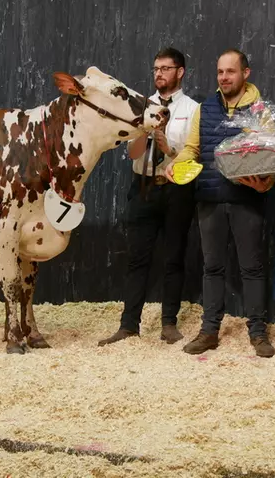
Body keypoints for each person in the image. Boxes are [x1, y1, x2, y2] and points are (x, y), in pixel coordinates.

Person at [165, 49, 275, 357]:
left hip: (247, 199)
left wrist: (266, 180)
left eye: (230, 71)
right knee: (212, 268)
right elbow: (192, 148)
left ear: (245, 73)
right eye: (220, 72)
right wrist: (177, 163)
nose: (224, 77)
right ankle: (209, 330)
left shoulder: (260, 110)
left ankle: (258, 333)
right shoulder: (206, 108)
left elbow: (272, 154)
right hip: (210, 199)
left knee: (252, 268)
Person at [98, 47, 200, 346]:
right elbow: (132, 153)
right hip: (142, 185)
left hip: (176, 188)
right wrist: (144, 129)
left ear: (180, 72)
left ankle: (169, 323)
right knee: (136, 259)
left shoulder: (193, 109)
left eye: (165, 68)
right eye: (156, 68)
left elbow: (192, 159)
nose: (159, 73)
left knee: (174, 257)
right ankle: (129, 325)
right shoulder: (141, 106)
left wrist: (167, 146)